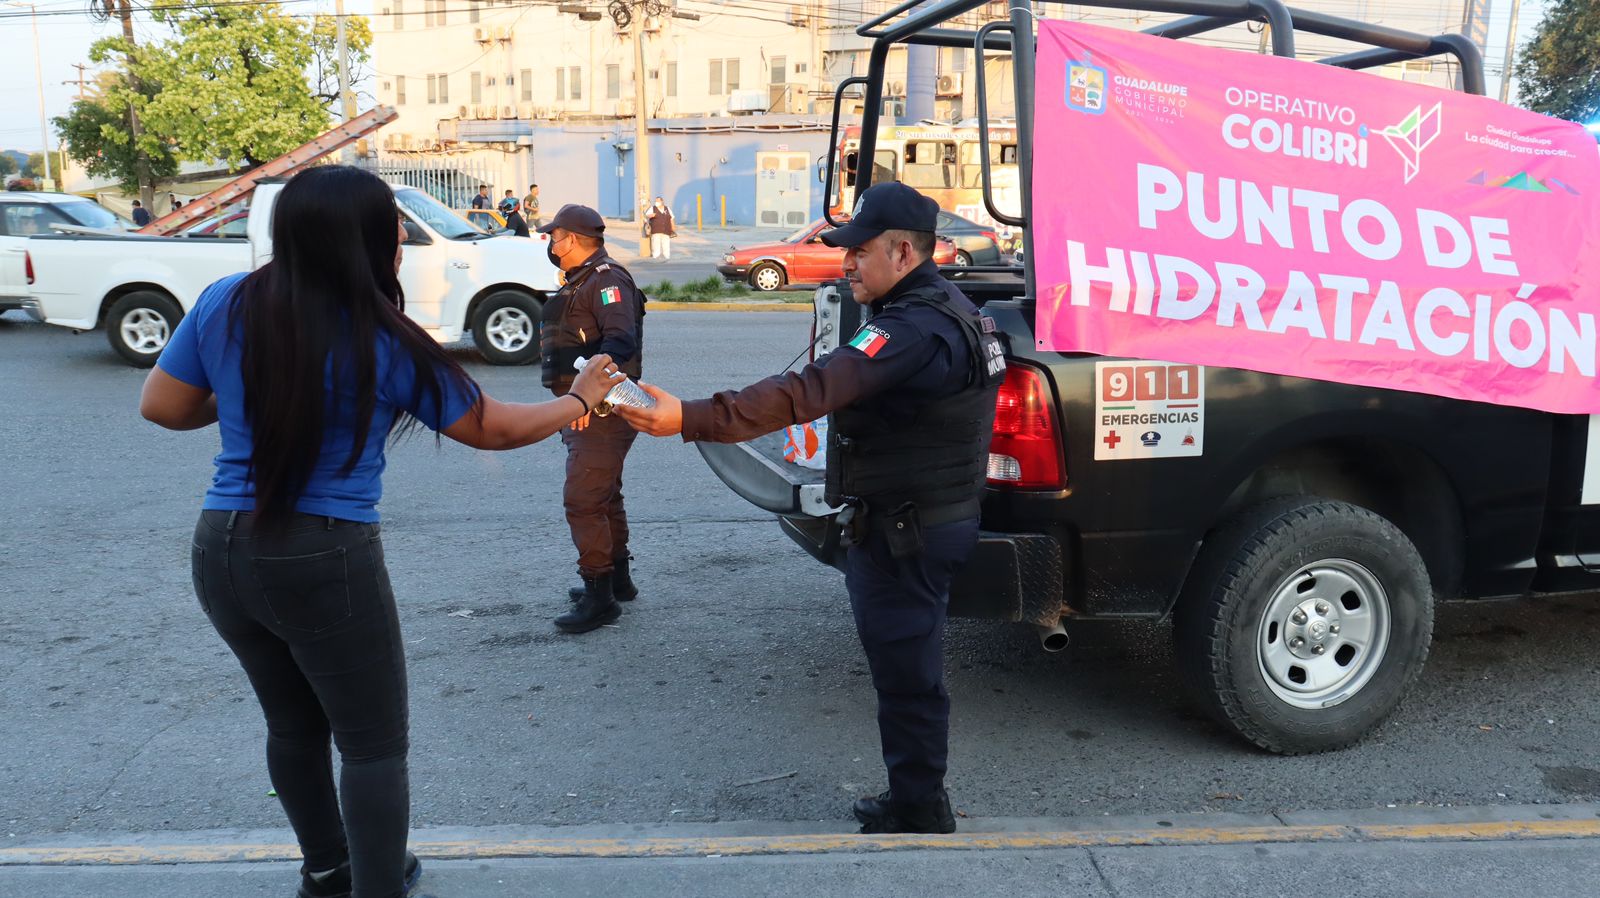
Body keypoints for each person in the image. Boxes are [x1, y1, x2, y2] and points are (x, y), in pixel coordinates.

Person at [138, 165, 622, 898]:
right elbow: (490, 428)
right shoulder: (381, 334)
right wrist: (581, 399)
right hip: (321, 552)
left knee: (293, 726)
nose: (398, 240)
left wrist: (251, 395)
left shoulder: (226, 302)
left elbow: (164, 406)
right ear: (371, 243)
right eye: (393, 228)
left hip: (221, 550)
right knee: (371, 747)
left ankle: (327, 872)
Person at [617, 182, 1005, 835]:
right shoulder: (944, 308)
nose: (845, 263)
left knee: (908, 673)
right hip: (921, 519)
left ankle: (919, 807)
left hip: (909, 530)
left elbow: (813, 389)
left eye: (858, 251)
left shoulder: (911, 328)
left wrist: (689, 416)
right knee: (905, 666)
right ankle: (915, 793)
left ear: (903, 251)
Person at [535, 204, 647, 633]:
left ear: (576, 239)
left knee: (583, 501)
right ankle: (617, 581)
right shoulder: (583, 279)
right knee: (604, 496)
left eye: (554, 236)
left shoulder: (607, 280)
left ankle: (600, 596)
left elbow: (619, 342)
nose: (550, 243)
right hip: (586, 406)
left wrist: (586, 399)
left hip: (599, 409)